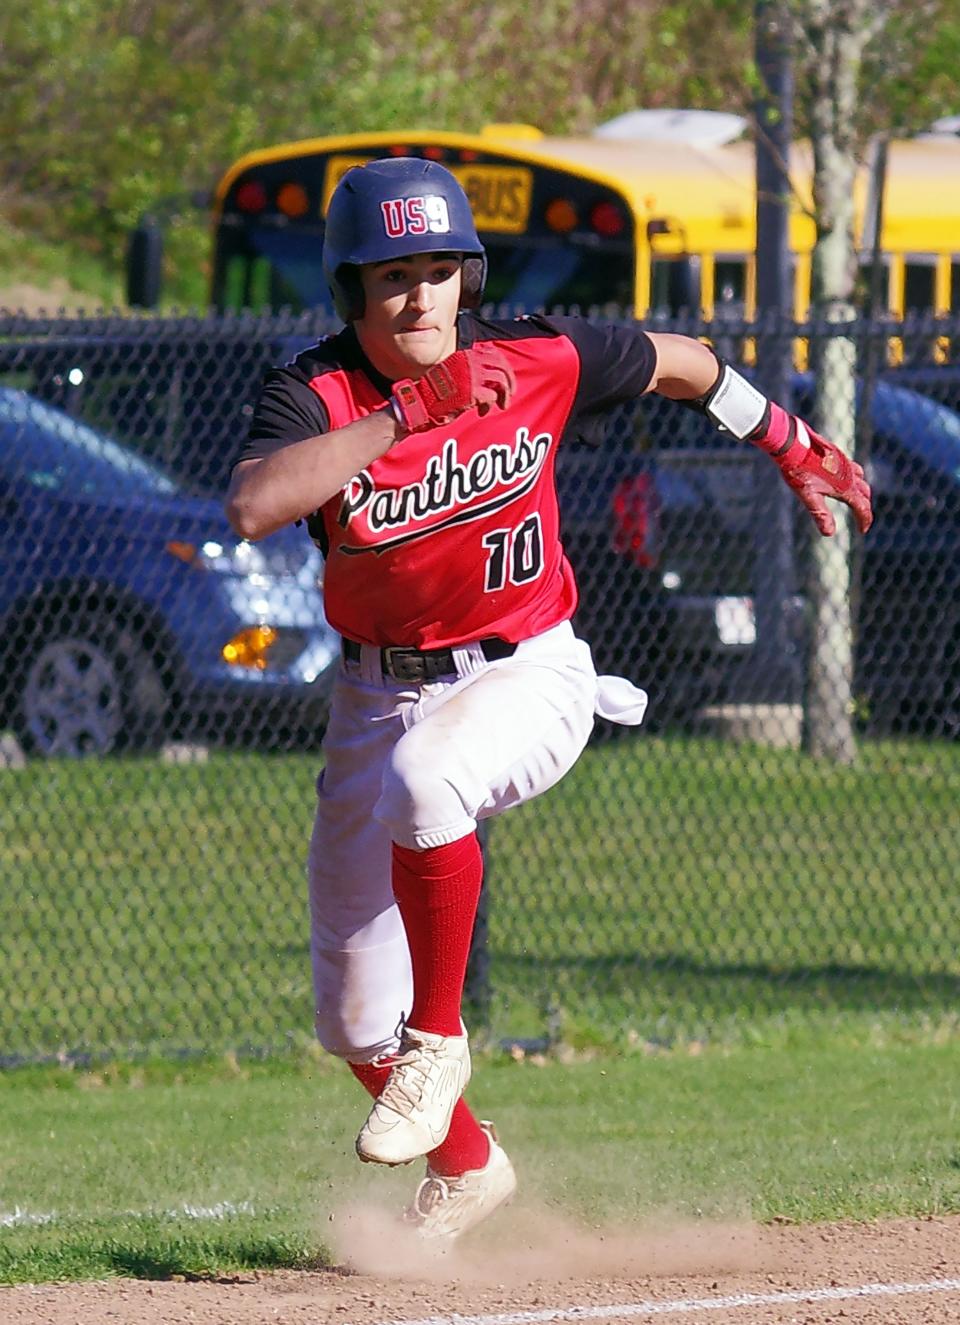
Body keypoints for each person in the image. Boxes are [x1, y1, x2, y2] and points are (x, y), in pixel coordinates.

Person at [225, 158, 872, 1243]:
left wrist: (788, 439)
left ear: (468, 278)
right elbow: (254, 501)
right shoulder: (320, 392)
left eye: (440, 269)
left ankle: (440, 1040)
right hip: (375, 693)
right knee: (346, 1015)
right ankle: (470, 1161)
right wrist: (406, 417)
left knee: (428, 783)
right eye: (393, 276)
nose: (421, 295)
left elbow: (687, 363)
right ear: (351, 291)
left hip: (526, 668)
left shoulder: (529, 356)